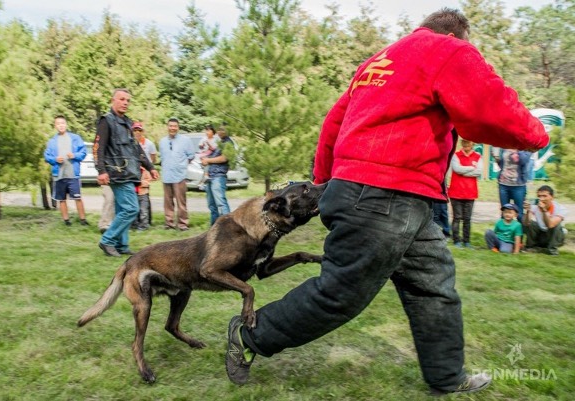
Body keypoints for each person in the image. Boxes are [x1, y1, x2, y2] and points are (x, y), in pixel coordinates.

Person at [224, 8, 549, 396]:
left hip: (390, 195)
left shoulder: (380, 60)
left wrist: (327, 183)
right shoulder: (449, 50)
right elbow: (487, 107)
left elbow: (334, 122)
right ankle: (249, 333)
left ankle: (446, 376)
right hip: (386, 193)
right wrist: (538, 136)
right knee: (341, 293)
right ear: (458, 36)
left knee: (433, 287)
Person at [94, 88, 159, 257]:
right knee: (131, 209)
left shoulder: (128, 123)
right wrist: (101, 170)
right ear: (113, 100)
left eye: (127, 100)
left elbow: (136, 149)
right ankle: (107, 240)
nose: (125, 103)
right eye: (121, 99)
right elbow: (98, 147)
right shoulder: (106, 121)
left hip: (129, 173)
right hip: (117, 172)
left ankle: (122, 245)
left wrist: (150, 167)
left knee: (123, 208)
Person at [44, 115, 89, 226]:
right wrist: (55, 159)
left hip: (73, 174)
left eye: (62, 123)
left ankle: (83, 220)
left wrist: (74, 155)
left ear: (66, 124)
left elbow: (83, 152)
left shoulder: (75, 138)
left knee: (77, 198)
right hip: (59, 175)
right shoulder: (52, 141)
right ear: (55, 126)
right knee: (61, 199)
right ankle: (66, 220)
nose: (61, 125)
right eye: (58, 123)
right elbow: (47, 156)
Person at [158, 118, 195, 230]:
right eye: (170, 126)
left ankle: (183, 223)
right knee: (168, 202)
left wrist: (181, 165)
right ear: (167, 127)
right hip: (166, 175)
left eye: (175, 126)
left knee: (181, 202)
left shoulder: (185, 140)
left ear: (178, 127)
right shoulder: (162, 141)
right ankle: (169, 223)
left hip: (179, 176)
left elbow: (191, 156)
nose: (172, 128)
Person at [448, 139, 482, 248]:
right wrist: (472, 168)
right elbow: (457, 169)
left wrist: (464, 172)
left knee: (467, 218)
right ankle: (456, 240)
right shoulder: (456, 156)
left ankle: (466, 241)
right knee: (457, 218)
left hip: (470, 192)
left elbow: (479, 171)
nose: (466, 146)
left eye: (468, 144)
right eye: (464, 143)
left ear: (473, 144)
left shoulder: (478, 156)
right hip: (456, 192)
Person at [522, 185, 568, 255]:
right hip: (542, 235)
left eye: (544, 196)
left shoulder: (561, 209)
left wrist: (544, 211)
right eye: (539, 196)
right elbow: (526, 223)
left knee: (556, 225)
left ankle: (552, 250)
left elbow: (550, 225)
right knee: (531, 223)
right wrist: (528, 211)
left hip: (556, 237)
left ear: (552, 197)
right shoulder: (534, 206)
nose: (541, 199)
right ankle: (530, 247)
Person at [201, 126, 233, 225]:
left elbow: (224, 158)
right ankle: (214, 227)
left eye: (222, 129)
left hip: (218, 176)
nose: (220, 131)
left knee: (221, 203)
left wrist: (208, 160)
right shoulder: (219, 142)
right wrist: (205, 159)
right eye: (218, 129)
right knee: (212, 205)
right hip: (210, 175)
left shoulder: (228, 143)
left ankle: (229, 227)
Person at [492, 147, 531, 221]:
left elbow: (523, 160)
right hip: (503, 184)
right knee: (504, 212)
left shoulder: (525, 148)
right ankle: (504, 232)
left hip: (518, 185)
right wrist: (497, 158)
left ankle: (519, 232)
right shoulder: (505, 147)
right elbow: (503, 165)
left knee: (519, 214)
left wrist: (515, 151)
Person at [132, 121, 156, 228]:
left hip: (144, 172)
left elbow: (153, 158)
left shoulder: (149, 144)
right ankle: (135, 222)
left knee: (144, 199)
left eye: (139, 130)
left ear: (142, 131)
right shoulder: (130, 143)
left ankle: (146, 222)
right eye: (135, 130)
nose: (137, 132)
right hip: (133, 172)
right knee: (133, 198)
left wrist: (149, 168)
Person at [197, 124, 219, 191]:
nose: (207, 132)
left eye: (209, 130)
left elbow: (214, 149)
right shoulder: (204, 138)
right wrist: (202, 145)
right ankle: (203, 180)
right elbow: (200, 146)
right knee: (204, 161)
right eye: (206, 130)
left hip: (211, 154)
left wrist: (209, 144)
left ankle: (202, 182)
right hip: (204, 154)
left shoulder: (215, 140)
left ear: (213, 132)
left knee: (207, 162)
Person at [131, 167, 153, 231]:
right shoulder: (131, 169)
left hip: (143, 194)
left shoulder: (145, 171)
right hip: (133, 194)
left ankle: (143, 226)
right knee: (134, 210)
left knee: (143, 211)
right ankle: (134, 225)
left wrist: (139, 182)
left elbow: (149, 181)